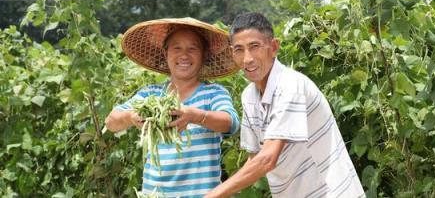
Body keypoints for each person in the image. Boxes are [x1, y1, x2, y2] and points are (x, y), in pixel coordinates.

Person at [205, 13, 365, 198]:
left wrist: (213, 195)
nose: (247, 58)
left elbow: (267, 159)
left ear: (273, 47)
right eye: (239, 49)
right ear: (232, 52)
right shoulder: (248, 96)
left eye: (254, 47)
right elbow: (255, 159)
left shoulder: (290, 85)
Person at [104, 18, 240, 197]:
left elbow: (231, 123)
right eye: (177, 48)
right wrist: (130, 117)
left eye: (193, 48)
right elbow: (111, 122)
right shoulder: (151, 95)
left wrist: (195, 116)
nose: (184, 55)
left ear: (204, 55)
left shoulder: (213, 94)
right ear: (166, 53)